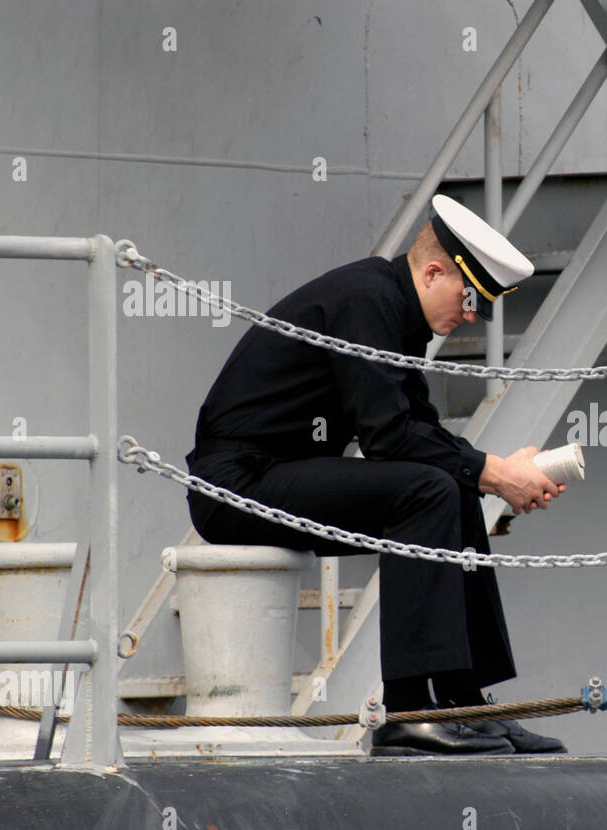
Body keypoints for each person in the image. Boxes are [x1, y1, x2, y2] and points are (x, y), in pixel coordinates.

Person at [184, 195, 567, 756]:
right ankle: (410, 713)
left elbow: (419, 430)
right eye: (469, 299)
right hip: (237, 485)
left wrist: (496, 471)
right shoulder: (368, 302)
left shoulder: (394, 312)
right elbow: (388, 437)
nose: (470, 317)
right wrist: (495, 473)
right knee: (429, 488)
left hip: (280, 471)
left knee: (450, 482)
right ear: (434, 271)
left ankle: (465, 701)